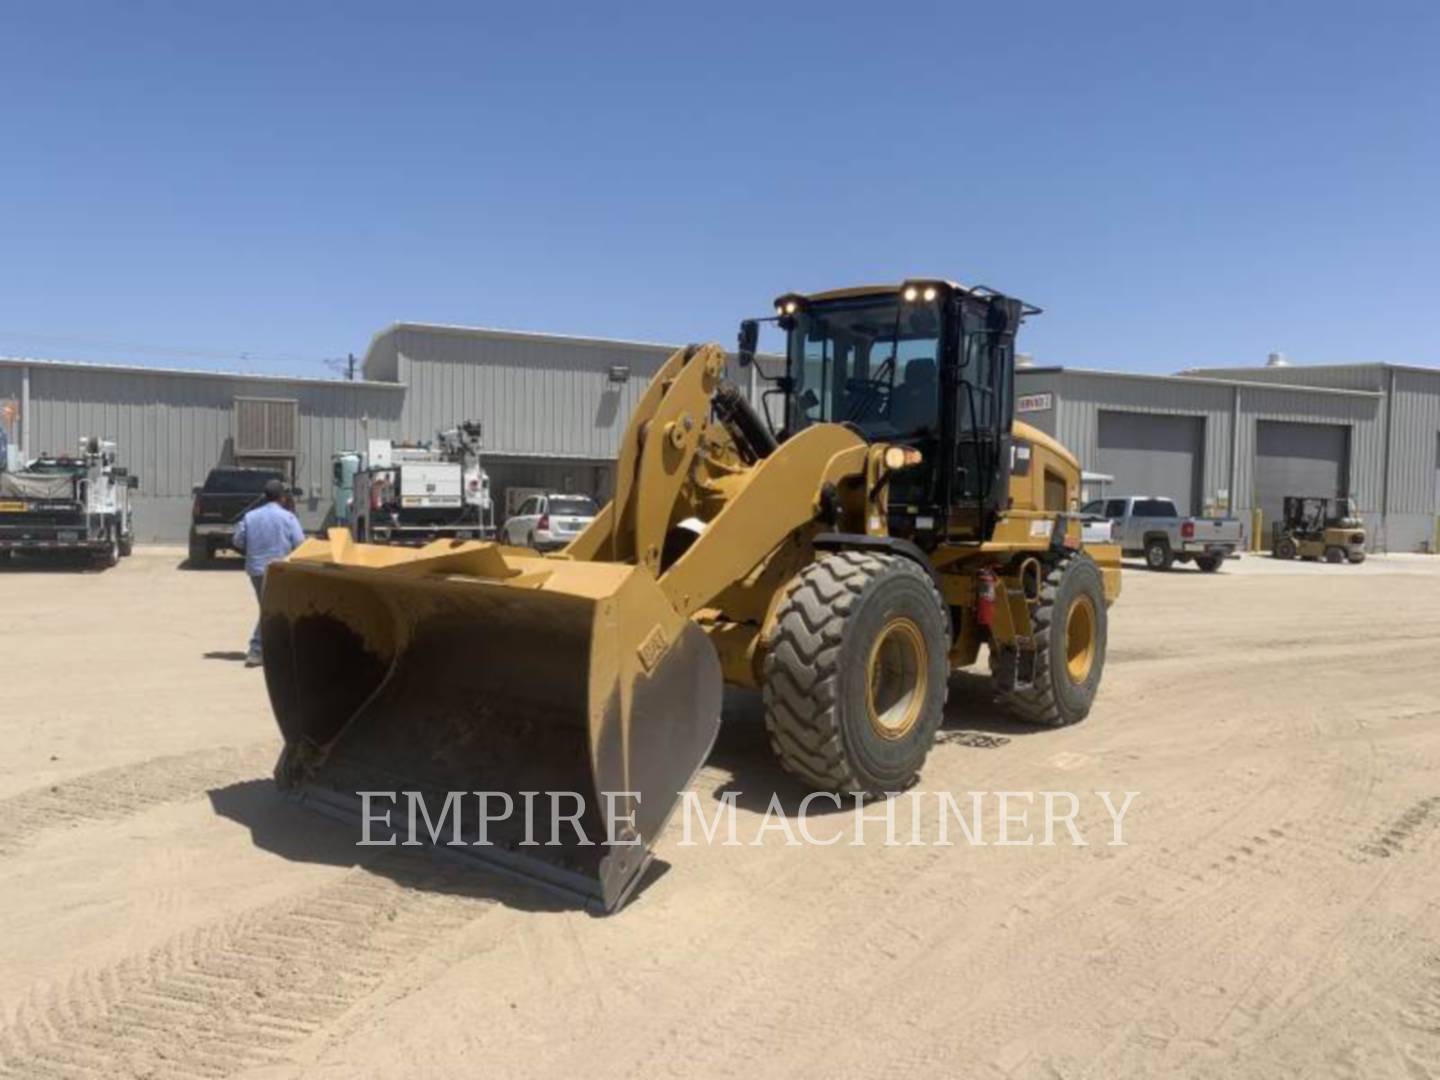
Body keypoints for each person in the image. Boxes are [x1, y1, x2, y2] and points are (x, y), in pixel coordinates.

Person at [233, 478, 306, 667]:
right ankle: (256, 651)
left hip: (256, 569)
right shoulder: (288, 517)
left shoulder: (250, 516)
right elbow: (300, 543)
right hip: (278, 570)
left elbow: (238, 541)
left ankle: (274, 649)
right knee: (271, 609)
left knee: (272, 608)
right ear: (282, 497)